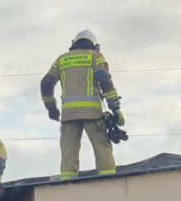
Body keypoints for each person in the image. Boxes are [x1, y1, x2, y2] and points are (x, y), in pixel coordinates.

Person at [40, 29, 124, 180]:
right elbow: (104, 79)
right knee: (102, 150)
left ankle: (67, 185)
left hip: (68, 115)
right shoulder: (95, 56)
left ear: (74, 43)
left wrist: (51, 107)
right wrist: (115, 107)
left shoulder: (62, 59)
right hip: (92, 113)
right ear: (95, 45)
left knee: (68, 155)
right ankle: (109, 184)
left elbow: (46, 83)